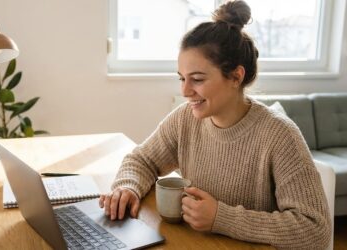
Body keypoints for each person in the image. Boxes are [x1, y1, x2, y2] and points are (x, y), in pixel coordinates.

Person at [99, 1, 331, 249]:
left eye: (197, 79)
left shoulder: (279, 135)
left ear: (236, 76)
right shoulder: (184, 119)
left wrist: (222, 218)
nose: (186, 91)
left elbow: (314, 229)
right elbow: (142, 160)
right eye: (182, 78)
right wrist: (127, 187)